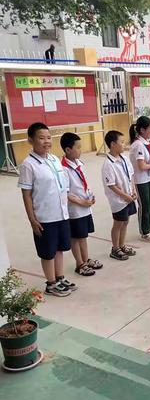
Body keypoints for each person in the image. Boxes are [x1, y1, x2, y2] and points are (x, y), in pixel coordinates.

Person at [18, 122, 75, 296]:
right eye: (41, 138)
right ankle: (50, 283)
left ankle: (59, 278)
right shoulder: (28, 165)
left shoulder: (54, 159)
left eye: (48, 138)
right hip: (44, 216)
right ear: (31, 140)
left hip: (61, 213)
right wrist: (32, 219)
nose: (46, 141)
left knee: (60, 248)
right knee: (48, 252)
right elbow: (26, 194)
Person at [60, 132, 102, 277]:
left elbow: (83, 184)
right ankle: (79, 263)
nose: (80, 150)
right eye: (77, 147)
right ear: (67, 150)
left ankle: (85, 259)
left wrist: (90, 197)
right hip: (75, 210)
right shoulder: (63, 169)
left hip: (85, 207)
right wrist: (82, 202)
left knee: (83, 235)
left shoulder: (79, 164)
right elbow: (65, 193)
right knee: (75, 237)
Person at [102, 130, 137, 261]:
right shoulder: (108, 164)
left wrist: (133, 190)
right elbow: (111, 185)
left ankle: (122, 245)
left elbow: (131, 175)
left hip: (128, 196)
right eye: (121, 142)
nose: (124, 144)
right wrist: (124, 196)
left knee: (126, 221)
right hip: (119, 200)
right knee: (118, 223)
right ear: (112, 144)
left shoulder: (124, 158)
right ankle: (115, 248)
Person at [129, 116, 150, 243]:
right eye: (149, 129)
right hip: (140, 179)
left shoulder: (146, 143)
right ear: (141, 130)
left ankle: (149, 228)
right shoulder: (138, 145)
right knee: (144, 206)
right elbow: (141, 166)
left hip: (148, 178)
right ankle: (144, 231)